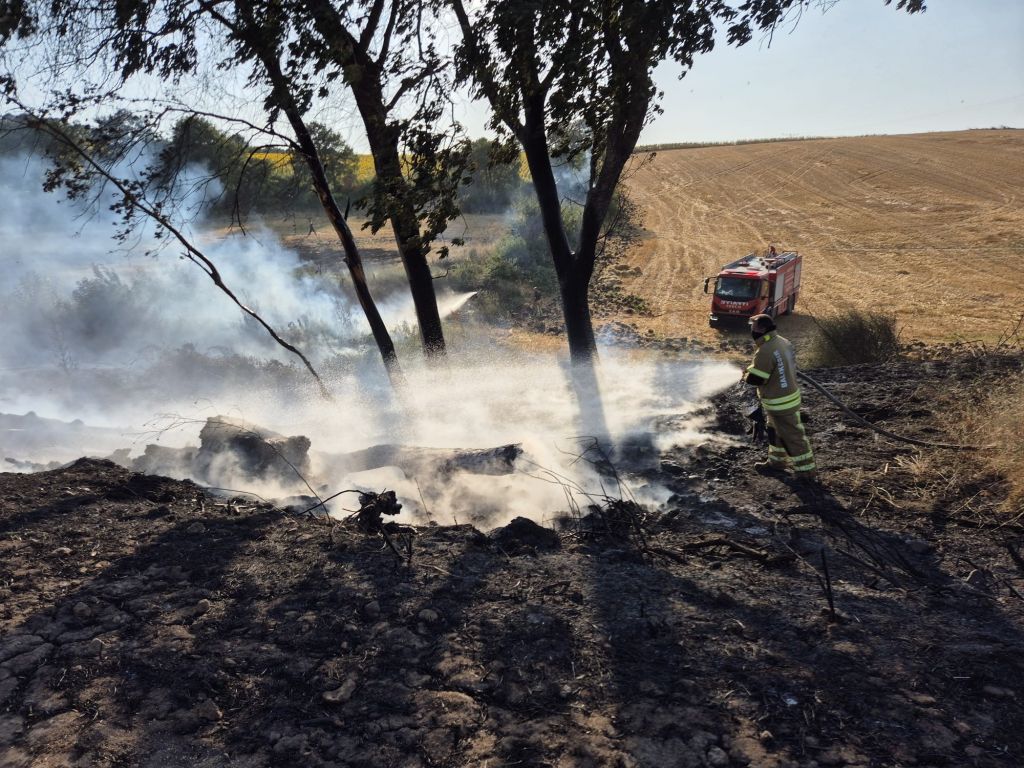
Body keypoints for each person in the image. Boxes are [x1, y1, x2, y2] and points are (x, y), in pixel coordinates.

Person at [742, 314, 817, 482]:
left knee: (792, 437)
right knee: (774, 432)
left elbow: (757, 379)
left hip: (780, 402)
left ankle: (806, 472)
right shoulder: (783, 342)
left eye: (753, 327)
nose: (751, 330)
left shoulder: (766, 350)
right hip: (786, 397)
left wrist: (746, 374)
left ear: (762, 328)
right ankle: (776, 462)